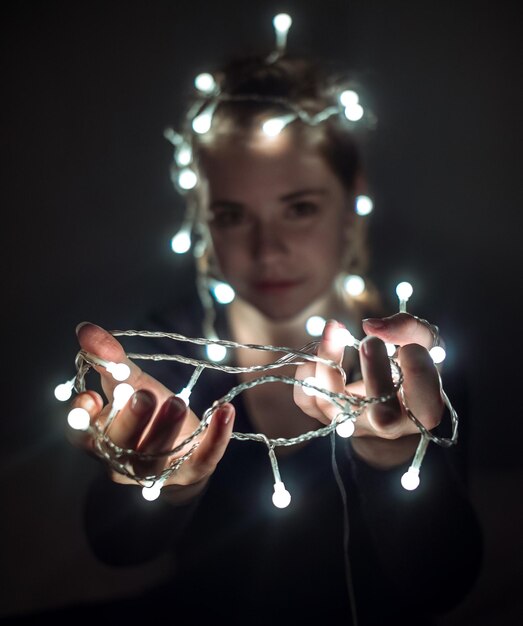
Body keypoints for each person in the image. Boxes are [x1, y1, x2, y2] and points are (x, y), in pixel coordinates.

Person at [52, 17, 482, 626]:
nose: (266, 250)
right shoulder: (161, 368)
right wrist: (160, 484)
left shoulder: (413, 362)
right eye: (232, 214)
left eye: (299, 207)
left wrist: (395, 463)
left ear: (351, 199)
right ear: (203, 217)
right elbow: (116, 549)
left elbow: (446, 584)